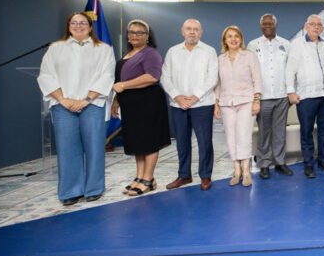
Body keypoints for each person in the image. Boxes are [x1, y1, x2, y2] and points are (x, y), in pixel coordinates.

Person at [37, 12, 115, 206]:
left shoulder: (103, 49)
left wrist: (86, 100)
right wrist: (62, 99)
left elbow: (107, 76)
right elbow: (46, 75)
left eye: (82, 23)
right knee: (67, 149)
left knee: (94, 148)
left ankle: (94, 188)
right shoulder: (56, 48)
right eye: (74, 22)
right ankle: (71, 191)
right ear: (68, 26)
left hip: (92, 104)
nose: (78, 26)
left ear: (90, 26)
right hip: (63, 105)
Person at [111, 19, 170, 197]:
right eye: (132, 32)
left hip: (148, 102)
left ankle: (148, 179)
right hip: (130, 104)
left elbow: (152, 76)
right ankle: (140, 176)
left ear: (147, 36)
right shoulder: (128, 54)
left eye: (140, 33)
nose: (135, 35)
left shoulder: (150, 53)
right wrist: (116, 100)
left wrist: (124, 86)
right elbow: (120, 81)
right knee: (138, 142)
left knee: (149, 141)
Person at [161, 19, 219, 191]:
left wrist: (195, 97)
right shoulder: (173, 52)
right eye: (188, 29)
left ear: (201, 32)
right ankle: (184, 175)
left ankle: (205, 175)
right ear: (182, 31)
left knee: (204, 142)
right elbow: (165, 76)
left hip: (202, 104)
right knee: (182, 141)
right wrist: (177, 96)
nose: (192, 32)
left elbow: (212, 78)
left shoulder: (209, 51)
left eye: (196, 29)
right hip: (178, 105)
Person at [286, 14, 324, 179]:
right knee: (306, 131)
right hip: (306, 96)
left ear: (322, 28)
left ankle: (323, 160)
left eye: (319, 24)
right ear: (306, 27)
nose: (316, 27)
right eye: (313, 24)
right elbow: (290, 69)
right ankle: (308, 164)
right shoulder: (297, 44)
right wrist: (291, 91)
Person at [214, 26, 262, 187]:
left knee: (244, 136)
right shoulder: (220, 59)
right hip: (226, 103)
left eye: (236, 36)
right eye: (229, 36)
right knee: (231, 137)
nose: (233, 39)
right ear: (225, 40)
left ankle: (246, 171)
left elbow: (257, 79)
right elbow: (218, 84)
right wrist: (216, 104)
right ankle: (236, 170)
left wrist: (257, 100)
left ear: (241, 39)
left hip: (247, 101)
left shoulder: (249, 56)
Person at [247, 14, 293, 179]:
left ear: (276, 25)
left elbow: (290, 69)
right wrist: (254, 97)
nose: (267, 26)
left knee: (280, 132)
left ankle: (280, 162)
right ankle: (264, 164)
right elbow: (250, 71)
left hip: (281, 95)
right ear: (261, 26)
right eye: (264, 24)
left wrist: (290, 91)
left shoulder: (286, 44)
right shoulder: (253, 45)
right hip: (262, 96)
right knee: (264, 132)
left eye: (270, 23)